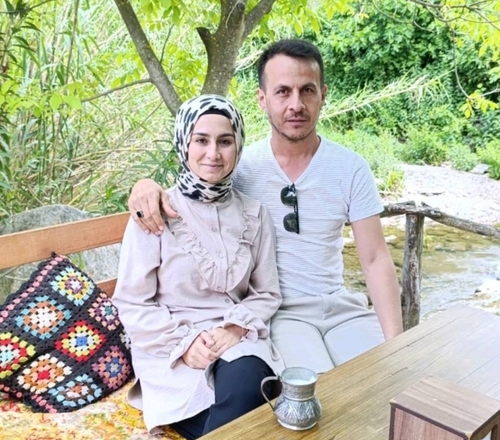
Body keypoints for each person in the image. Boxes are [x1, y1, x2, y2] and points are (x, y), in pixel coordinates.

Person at [127, 39, 403, 374]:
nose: (296, 105)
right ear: (262, 99)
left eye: (307, 90)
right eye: (283, 91)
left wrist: (396, 343)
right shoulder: (239, 169)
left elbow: (375, 259)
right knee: (319, 389)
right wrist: (145, 186)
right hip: (279, 313)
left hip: (343, 307)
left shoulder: (350, 168)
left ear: (323, 95)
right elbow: (191, 192)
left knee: (384, 377)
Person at [113, 94, 284, 440]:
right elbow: (132, 302)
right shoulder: (155, 212)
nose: (213, 154)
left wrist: (235, 328)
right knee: (251, 417)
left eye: (225, 141)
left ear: (238, 146)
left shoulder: (254, 213)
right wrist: (187, 344)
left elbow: (266, 292)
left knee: (250, 384)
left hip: (232, 339)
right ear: (184, 144)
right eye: (201, 140)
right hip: (171, 346)